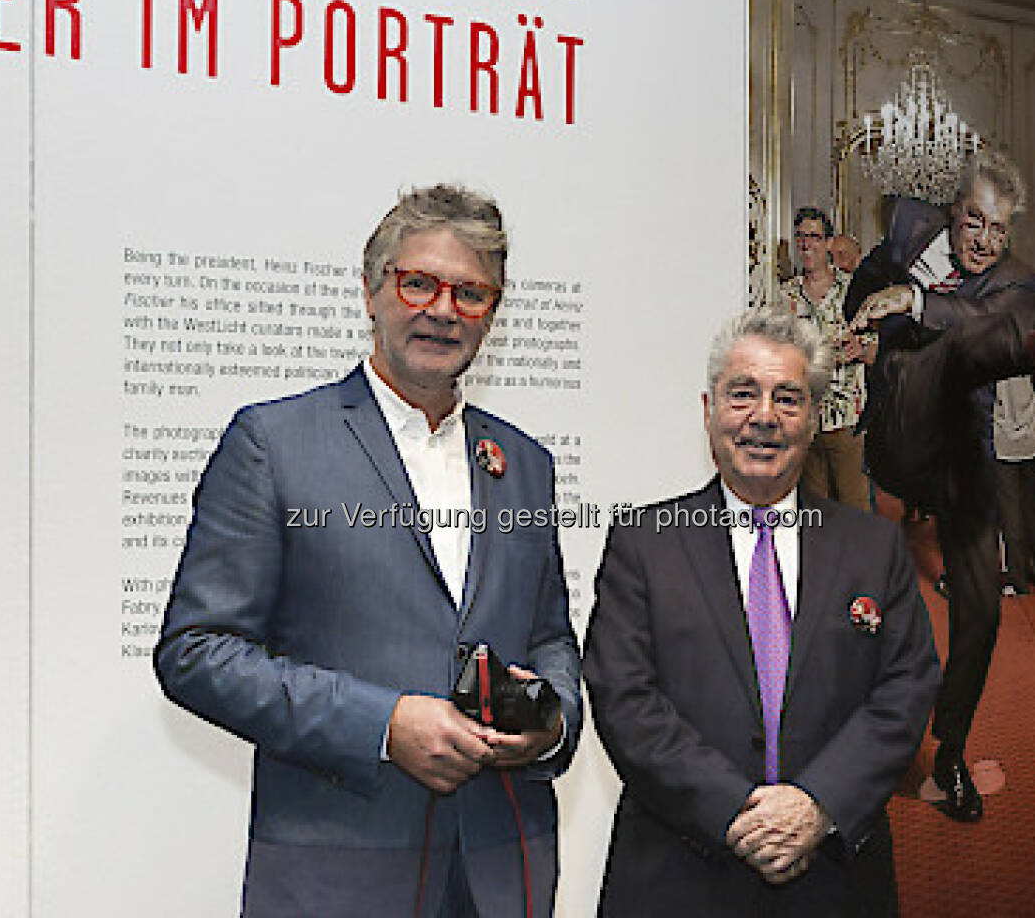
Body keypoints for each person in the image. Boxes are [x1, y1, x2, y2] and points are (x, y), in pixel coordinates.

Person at [155, 184, 582, 917]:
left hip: (501, 867)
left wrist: (551, 723)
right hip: (339, 871)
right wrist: (382, 726)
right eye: (418, 282)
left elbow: (549, 637)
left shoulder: (525, 463)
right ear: (371, 291)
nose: (442, 309)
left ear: (494, 313)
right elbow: (196, 650)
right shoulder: (272, 444)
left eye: (471, 293)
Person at [583, 307, 940, 916]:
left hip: (835, 876)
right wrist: (738, 813)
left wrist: (817, 804)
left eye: (788, 398)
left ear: (814, 417)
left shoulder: (873, 547)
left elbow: (907, 687)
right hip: (679, 872)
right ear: (708, 411)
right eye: (742, 394)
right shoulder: (644, 543)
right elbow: (626, 701)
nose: (764, 417)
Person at [844, 150, 1035, 822]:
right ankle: (855, 732)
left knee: (982, 610)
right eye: (974, 222)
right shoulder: (906, 229)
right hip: (897, 441)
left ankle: (950, 749)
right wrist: (869, 319)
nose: (986, 240)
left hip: (962, 447)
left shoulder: (1016, 281)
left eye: (999, 229)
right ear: (951, 211)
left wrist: (917, 301)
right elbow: (866, 286)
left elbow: (976, 323)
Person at [788, 207, 873, 513]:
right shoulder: (787, 297)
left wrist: (861, 349)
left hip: (847, 421)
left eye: (813, 237)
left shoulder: (853, 290)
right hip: (805, 423)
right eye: (800, 237)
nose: (806, 244)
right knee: (815, 518)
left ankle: (866, 562)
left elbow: (880, 346)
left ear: (827, 243)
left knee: (856, 512)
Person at [994, 375, 1035, 598]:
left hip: (1003, 441)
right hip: (1033, 435)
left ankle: (1018, 579)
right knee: (1034, 506)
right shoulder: (1033, 354)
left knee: (1010, 511)